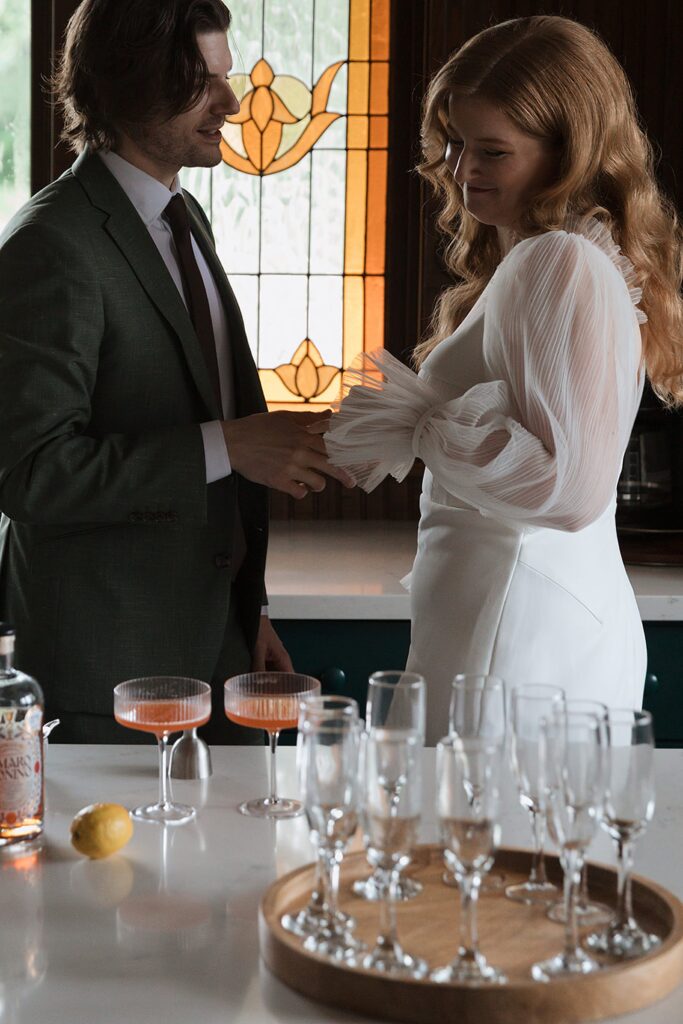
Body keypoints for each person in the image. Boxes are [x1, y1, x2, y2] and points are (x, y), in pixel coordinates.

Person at [324, 15, 683, 744]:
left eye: (492, 151)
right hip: (507, 602)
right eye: (452, 142)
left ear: (567, 154)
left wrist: (419, 422)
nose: (460, 169)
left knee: (470, 842)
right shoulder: (550, 256)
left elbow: (568, 490)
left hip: (515, 619)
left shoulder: (556, 261)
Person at [0, 0, 348, 743]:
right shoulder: (51, 245)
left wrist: (245, 612)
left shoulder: (183, 221)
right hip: (104, 674)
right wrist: (228, 444)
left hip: (214, 652)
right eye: (202, 82)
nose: (233, 100)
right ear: (127, 85)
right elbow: (31, 474)